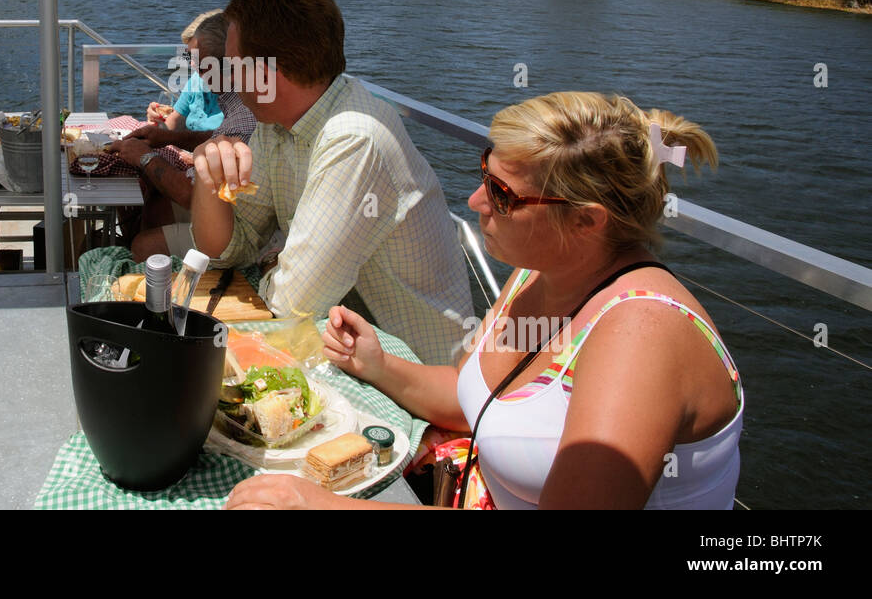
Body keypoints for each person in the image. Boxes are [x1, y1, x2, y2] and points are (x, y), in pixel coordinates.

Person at [226, 92, 742, 510]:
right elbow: (477, 399)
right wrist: (378, 365)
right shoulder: (538, 274)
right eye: (484, 175)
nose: (474, 202)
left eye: (502, 195)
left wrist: (319, 505)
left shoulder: (641, 335)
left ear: (586, 220)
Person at [190, 0, 472, 365]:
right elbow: (228, 251)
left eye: (234, 67)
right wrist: (208, 173)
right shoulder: (276, 124)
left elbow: (294, 305)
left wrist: (275, 261)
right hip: (346, 345)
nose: (229, 81)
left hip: (419, 371)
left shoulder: (354, 139)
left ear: (267, 77)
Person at [110, 13, 256, 259]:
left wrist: (144, 157)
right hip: (226, 204)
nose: (191, 66)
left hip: (237, 224)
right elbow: (215, 136)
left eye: (195, 59)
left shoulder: (245, 111)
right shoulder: (236, 98)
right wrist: (167, 138)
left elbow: (191, 196)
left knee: (143, 245)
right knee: (155, 204)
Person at [145, 9, 224, 132]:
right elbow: (172, 125)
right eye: (188, 56)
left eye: (197, 56)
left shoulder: (242, 92)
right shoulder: (197, 79)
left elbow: (225, 138)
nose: (192, 63)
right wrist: (157, 120)